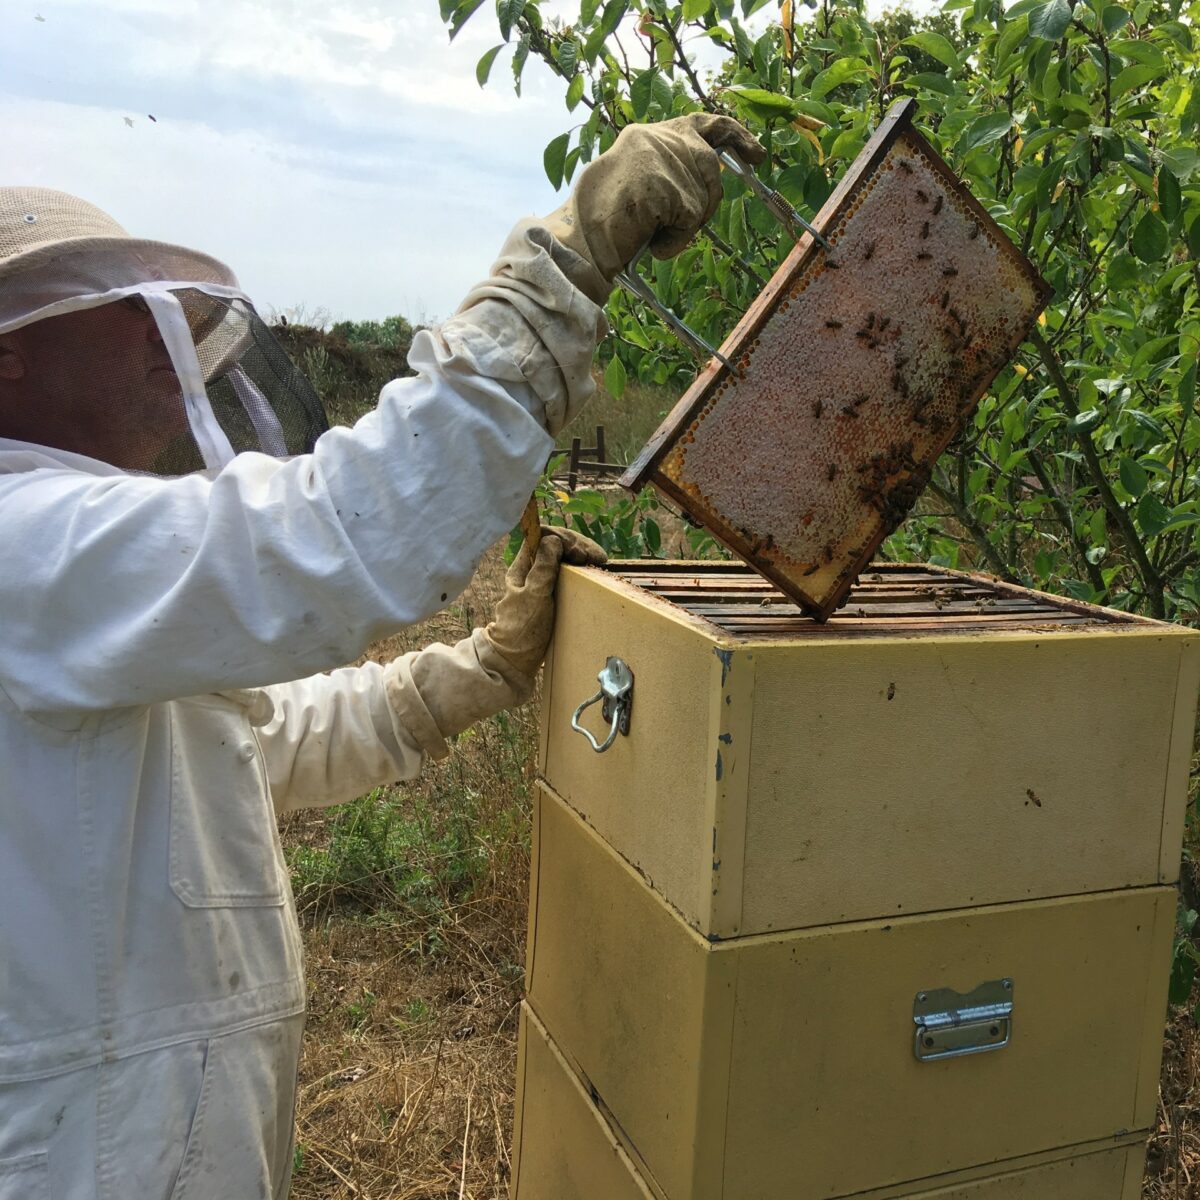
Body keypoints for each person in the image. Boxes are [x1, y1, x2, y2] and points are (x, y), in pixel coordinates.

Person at [0, 114, 764, 1199]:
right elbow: (330, 537)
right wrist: (562, 266)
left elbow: (245, 750)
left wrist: (478, 671)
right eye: (116, 307)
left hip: (144, 1123)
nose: (156, 333)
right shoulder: (25, 547)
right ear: (10, 351)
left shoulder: (71, 576)